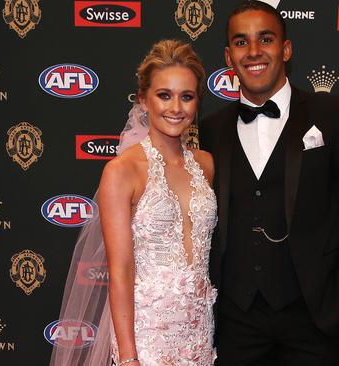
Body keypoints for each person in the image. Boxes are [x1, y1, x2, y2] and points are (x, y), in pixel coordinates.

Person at [200, 1, 339, 365]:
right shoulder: (211, 129)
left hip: (312, 316)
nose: (253, 52)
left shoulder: (336, 115)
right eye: (240, 42)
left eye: (265, 38)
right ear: (228, 56)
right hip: (236, 320)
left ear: (286, 48)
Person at [50, 39, 217, 366]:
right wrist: (128, 358)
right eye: (164, 95)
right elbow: (121, 271)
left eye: (187, 96)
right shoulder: (121, 171)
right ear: (143, 100)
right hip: (146, 334)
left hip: (199, 330)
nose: (176, 108)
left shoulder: (206, 165)